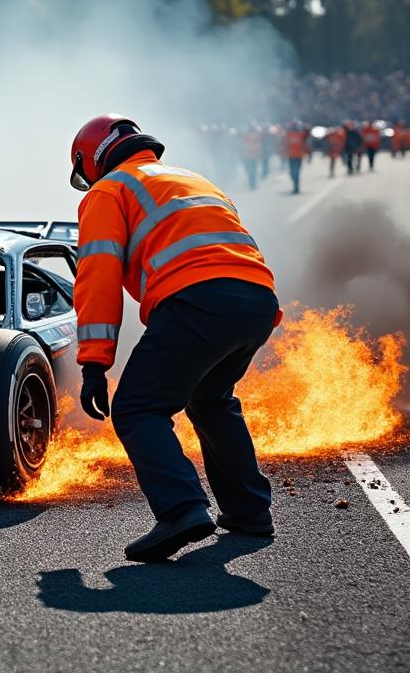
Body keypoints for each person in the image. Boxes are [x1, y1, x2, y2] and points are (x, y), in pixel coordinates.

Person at [68, 113, 280, 562]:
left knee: (137, 408)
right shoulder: (193, 179)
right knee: (211, 399)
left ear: (91, 159)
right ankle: (249, 511)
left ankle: (182, 509)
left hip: (198, 301)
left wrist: (94, 363)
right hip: (257, 301)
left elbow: (98, 274)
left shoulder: (110, 189)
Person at [283, 120, 308, 194]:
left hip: (298, 156)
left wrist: (304, 126)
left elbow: (308, 132)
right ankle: (295, 185)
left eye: (295, 125)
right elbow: (285, 145)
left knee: (296, 172)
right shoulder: (288, 134)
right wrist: (284, 154)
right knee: (291, 172)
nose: (294, 127)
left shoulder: (301, 134)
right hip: (291, 156)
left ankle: (296, 187)